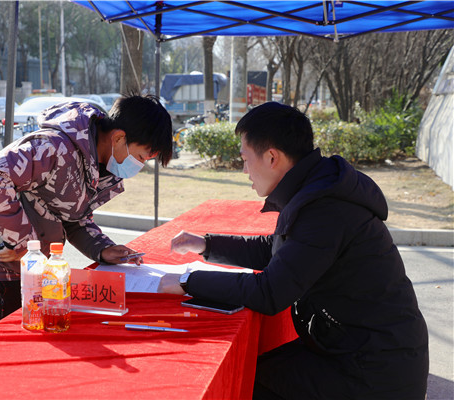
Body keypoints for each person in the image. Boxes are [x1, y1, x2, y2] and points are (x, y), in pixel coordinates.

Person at [163, 102, 429, 399]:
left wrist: (189, 282)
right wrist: (207, 244)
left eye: (245, 159)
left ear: (272, 157)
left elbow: (270, 292)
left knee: (248, 382)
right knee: (255, 372)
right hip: (353, 347)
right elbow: (277, 251)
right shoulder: (318, 188)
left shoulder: (325, 208)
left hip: (375, 370)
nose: (244, 170)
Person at [0, 95, 172, 336]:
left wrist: (103, 249)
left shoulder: (103, 168)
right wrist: (24, 243)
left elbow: (74, 217)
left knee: (29, 334)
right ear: (118, 137)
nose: (139, 167)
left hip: (26, 260)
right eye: (140, 158)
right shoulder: (55, 147)